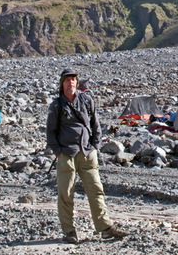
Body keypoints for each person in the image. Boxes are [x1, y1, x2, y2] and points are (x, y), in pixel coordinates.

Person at [46, 68, 127, 243]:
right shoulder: (56, 105)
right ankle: (69, 231)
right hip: (66, 154)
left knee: (96, 190)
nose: (71, 83)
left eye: (73, 79)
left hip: (87, 152)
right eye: (67, 80)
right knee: (66, 194)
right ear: (62, 83)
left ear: (77, 82)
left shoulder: (86, 101)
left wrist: (95, 147)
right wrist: (58, 152)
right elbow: (50, 132)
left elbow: (96, 125)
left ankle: (105, 227)